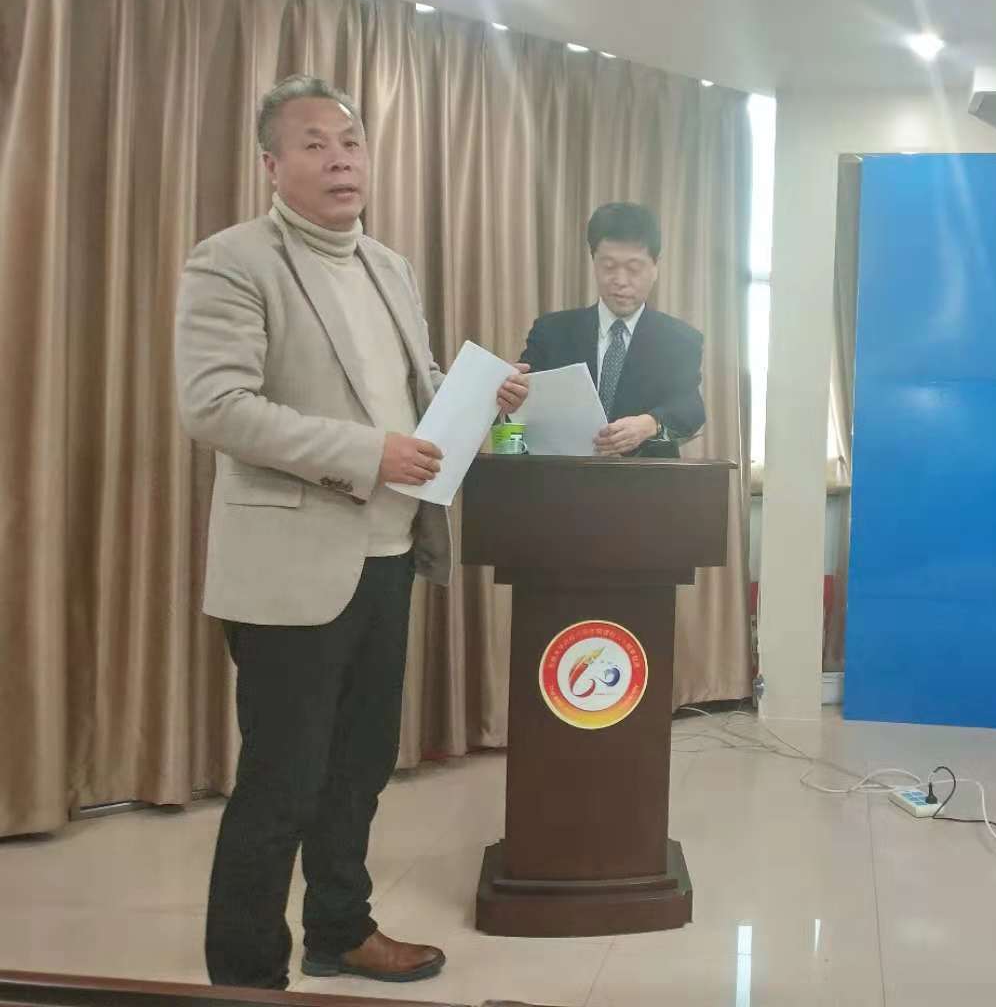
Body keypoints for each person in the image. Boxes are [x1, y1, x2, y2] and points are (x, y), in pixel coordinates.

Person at [173, 74, 529, 990]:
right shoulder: (232, 259)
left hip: (390, 555)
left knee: (360, 768)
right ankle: (246, 978)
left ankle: (340, 929)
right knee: (282, 784)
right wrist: (370, 453)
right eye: (314, 144)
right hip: (291, 566)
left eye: (351, 142)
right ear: (271, 164)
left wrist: (480, 399)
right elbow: (215, 406)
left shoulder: (388, 265)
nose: (340, 160)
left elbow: (412, 388)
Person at [520, 202, 704, 458]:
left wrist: (649, 424)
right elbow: (519, 408)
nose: (620, 281)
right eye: (608, 267)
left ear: (655, 267)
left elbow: (689, 410)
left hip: (646, 478)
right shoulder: (551, 332)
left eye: (634, 269)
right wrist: (510, 393)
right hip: (562, 475)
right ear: (593, 261)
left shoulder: (679, 340)